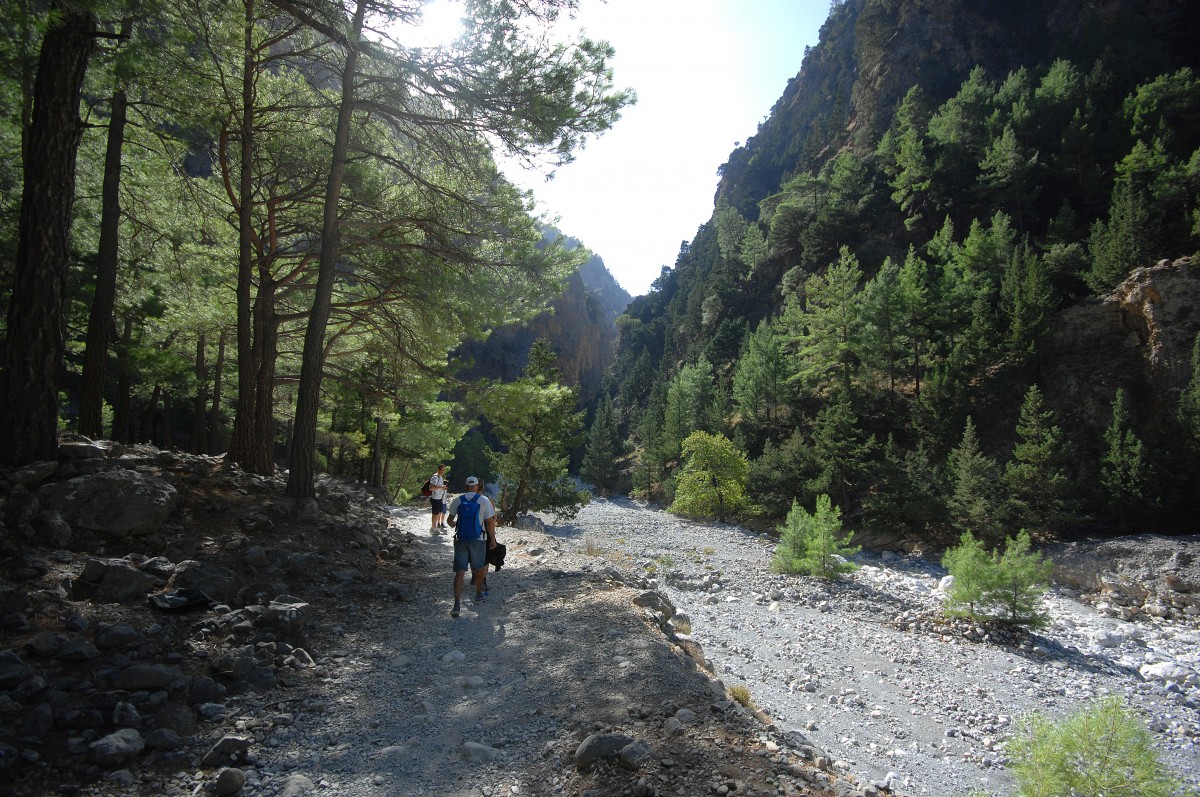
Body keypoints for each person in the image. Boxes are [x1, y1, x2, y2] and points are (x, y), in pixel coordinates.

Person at [446, 476, 496, 617]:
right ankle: (478, 595)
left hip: (461, 539)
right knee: (479, 568)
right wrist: (493, 539)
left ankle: (456, 604)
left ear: (466, 486)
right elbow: (490, 522)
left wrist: (456, 525)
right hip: (478, 539)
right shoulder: (483, 500)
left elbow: (449, 520)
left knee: (460, 572)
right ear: (477, 486)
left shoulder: (458, 500)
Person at [428, 464, 448, 531]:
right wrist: (441, 487)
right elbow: (431, 488)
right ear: (438, 469)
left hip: (439, 497)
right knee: (435, 513)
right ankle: (433, 528)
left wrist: (442, 488)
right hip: (435, 498)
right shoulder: (435, 477)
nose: (443, 471)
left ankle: (434, 527)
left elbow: (438, 487)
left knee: (438, 513)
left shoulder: (440, 477)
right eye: (442, 469)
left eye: (444, 470)